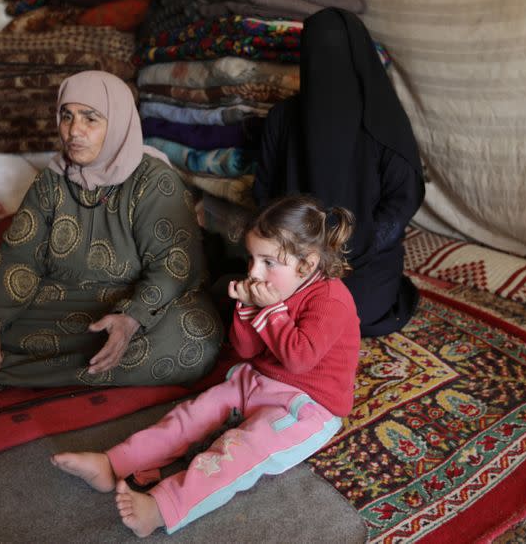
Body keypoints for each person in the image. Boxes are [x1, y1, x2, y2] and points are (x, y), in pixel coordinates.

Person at [51, 194, 361, 537]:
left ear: (307, 264)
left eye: (268, 262)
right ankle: (114, 463)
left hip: (306, 405)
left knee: (238, 450)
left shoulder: (332, 300)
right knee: (191, 416)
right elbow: (244, 349)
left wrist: (271, 312)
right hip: (257, 380)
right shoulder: (271, 288)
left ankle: (163, 508)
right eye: (252, 259)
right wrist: (246, 308)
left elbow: (299, 358)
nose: (254, 272)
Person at [0, 70, 223, 389]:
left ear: (117, 122)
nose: (74, 131)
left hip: (137, 300)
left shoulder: (154, 181)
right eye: (66, 116)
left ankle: (11, 372)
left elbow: (174, 265)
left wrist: (132, 318)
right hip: (67, 297)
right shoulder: (52, 179)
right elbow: (20, 257)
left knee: (195, 338)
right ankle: (35, 360)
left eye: (90, 119)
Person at [254, 7, 426, 337]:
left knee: (338, 312)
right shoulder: (284, 119)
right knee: (258, 301)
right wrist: (292, 254)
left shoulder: (381, 122)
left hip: (354, 263)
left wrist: (349, 251)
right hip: (296, 259)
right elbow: (265, 193)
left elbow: (401, 199)